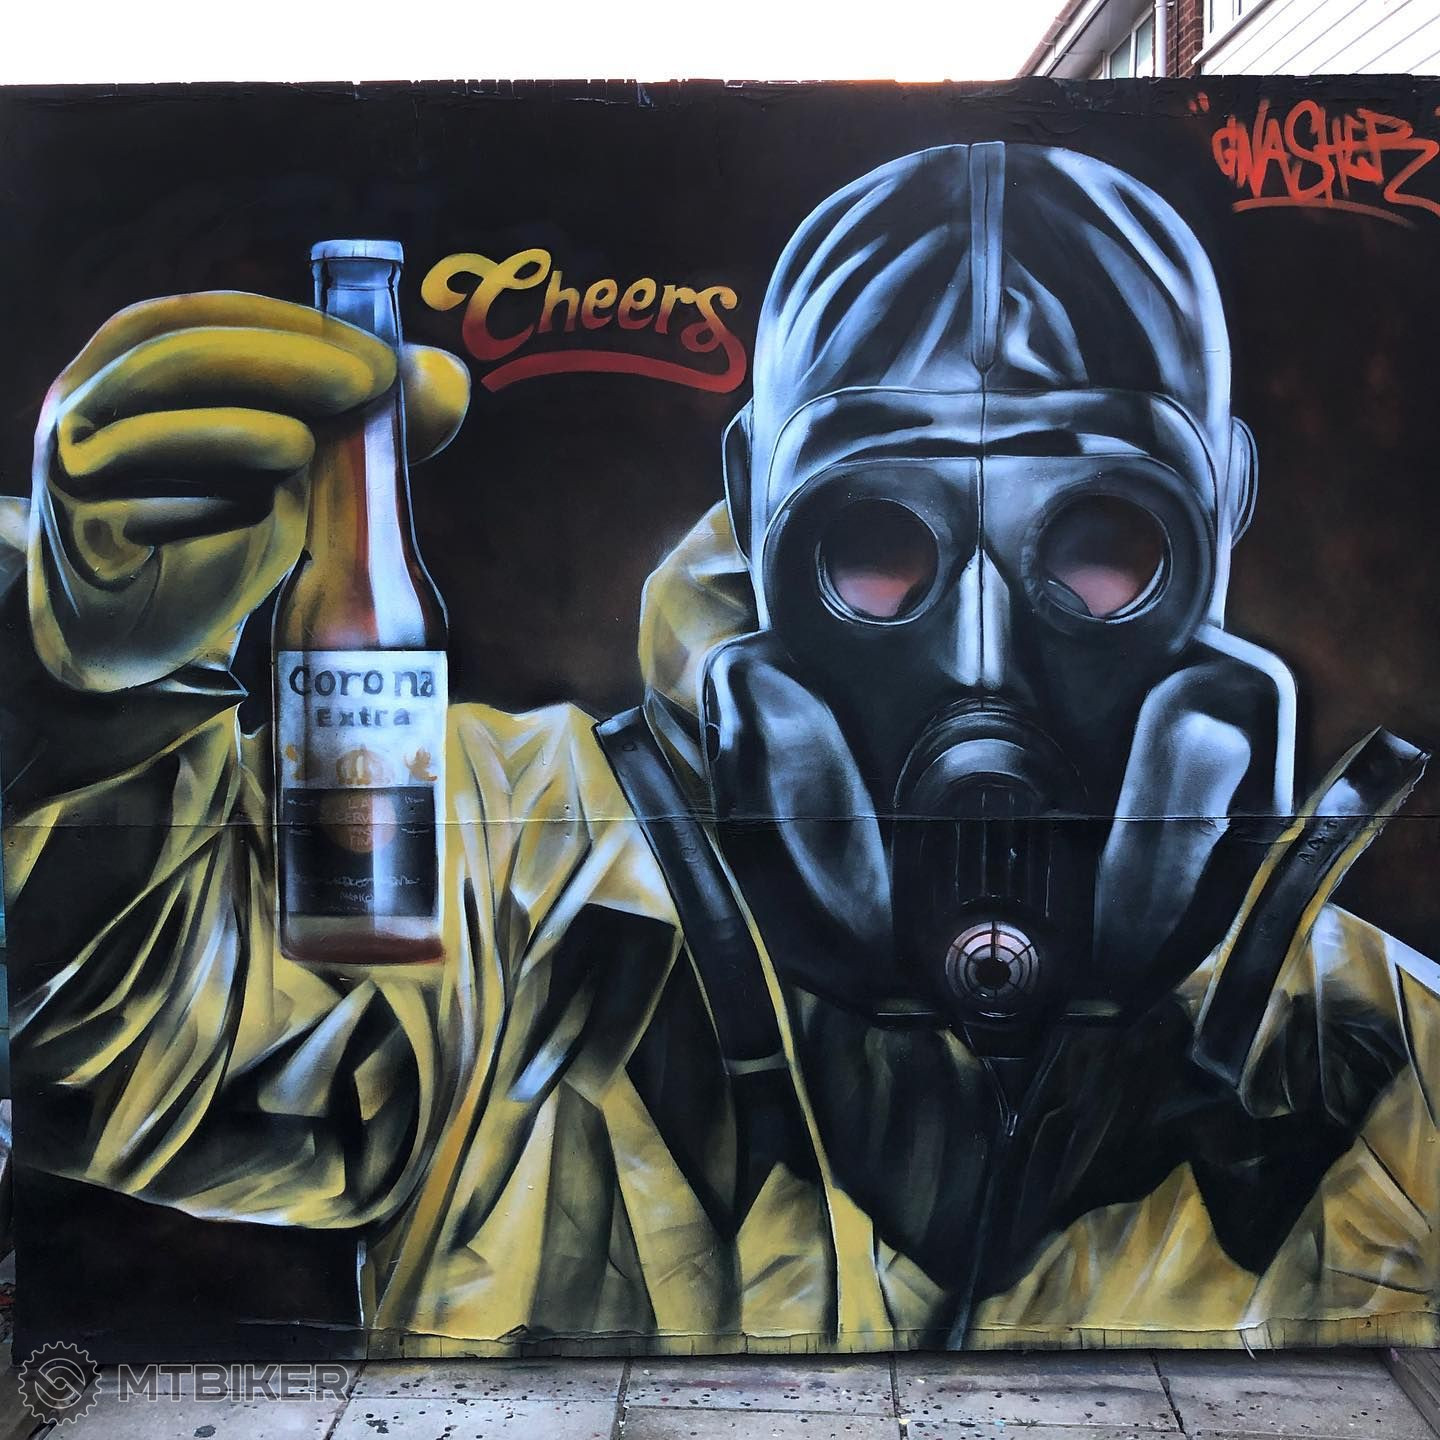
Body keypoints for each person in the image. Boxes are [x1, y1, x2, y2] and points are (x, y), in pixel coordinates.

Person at [6, 142, 1440, 1356]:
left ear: (1226, 503)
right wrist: (72, 711)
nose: (980, 665)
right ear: (755, 503)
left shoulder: (1387, 1067)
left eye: (1101, 542)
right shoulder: (518, 878)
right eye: (877, 542)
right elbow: (120, 1048)